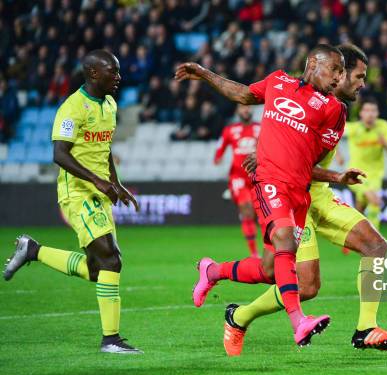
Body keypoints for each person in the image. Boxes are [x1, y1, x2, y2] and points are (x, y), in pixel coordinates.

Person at [223, 44, 387, 356]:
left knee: (376, 245)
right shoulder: (309, 100)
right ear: (340, 73)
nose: (362, 83)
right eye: (358, 76)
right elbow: (300, 165)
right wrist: (271, 156)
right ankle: (239, 316)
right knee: (306, 287)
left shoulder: (336, 111)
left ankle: (366, 329)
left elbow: (305, 161)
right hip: (295, 201)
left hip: (319, 196)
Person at [175, 44, 347, 346]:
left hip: (298, 191)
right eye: (335, 69)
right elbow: (242, 94)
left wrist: (332, 175)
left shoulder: (333, 110)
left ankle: (212, 270)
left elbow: (310, 159)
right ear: (313, 63)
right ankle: (299, 322)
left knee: (270, 270)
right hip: (269, 181)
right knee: (285, 239)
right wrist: (204, 74)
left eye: (342, 72)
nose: (339, 77)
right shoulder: (277, 81)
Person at [2, 50, 141, 354]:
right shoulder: (72, 108)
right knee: (112, 260)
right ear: (93, 73)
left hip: (99, 192)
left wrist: (115, 183)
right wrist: (97, 181)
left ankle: (33, 251)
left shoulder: (110, 104)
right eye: (112, 72)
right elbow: (59, 154)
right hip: (77, 193)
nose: (118, 78)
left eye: (117, 72)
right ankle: (111, 340)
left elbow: (104, 148)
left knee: (97, 270)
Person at [214, 105, 261, 257]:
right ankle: (254, 253)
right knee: (247, 210)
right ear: (237, 111)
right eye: (242, 108)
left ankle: (270, 249)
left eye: (248, 107)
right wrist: (218, 156)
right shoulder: (229, 130)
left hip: (258, 177)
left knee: (258, 215)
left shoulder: (261, 128)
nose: (245, 110)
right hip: (238, 177)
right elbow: (220, 146)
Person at [343, 97, 387, 231]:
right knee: (375, 200)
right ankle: (374, 238)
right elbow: (332, 134)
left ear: (377, 113)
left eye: (373, 110)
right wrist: (337, 156)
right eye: (366, 110)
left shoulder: (383, 126)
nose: (370, 114)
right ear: (361, 113)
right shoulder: (353, 128)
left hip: (375, 174)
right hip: (356, 172)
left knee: (361, 205)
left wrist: (385, 143)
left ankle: (351, 232)